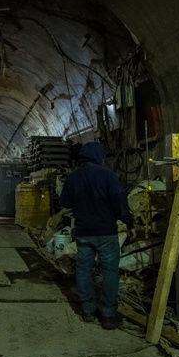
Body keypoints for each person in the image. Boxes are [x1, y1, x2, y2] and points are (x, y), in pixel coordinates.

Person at [59, 141, 136, 329]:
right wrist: (129, 223)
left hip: (84, 232)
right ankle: (108, 315)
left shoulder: (73, 178)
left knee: (83, 270)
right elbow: (120, 204)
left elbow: (65, 202)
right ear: (99, 157)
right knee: (110, 271)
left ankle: (88, 311)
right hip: (106, 233)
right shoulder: (108, 176)